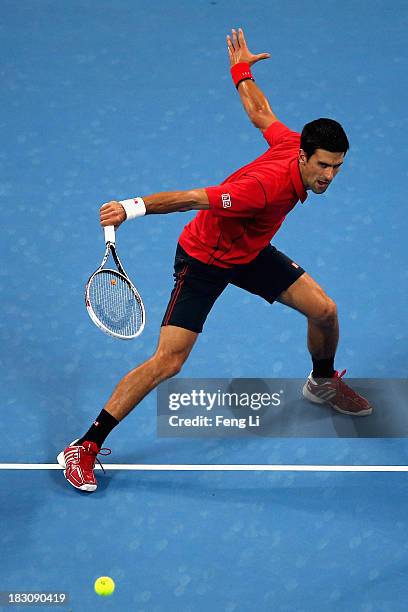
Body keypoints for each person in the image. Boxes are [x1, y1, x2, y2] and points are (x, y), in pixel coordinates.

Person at [58, 28, 372, 492]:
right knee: (169, 361)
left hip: (248, 252)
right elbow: (190, 198)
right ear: (304, 156)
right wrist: (132, 206)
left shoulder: (291, 144)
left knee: (324, 310)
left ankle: (321, 382)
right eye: (323, 166)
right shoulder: (260, 190)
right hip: (204, 259)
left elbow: (260, 111)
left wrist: (241, 69)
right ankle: (83, 446)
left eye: (337, 167)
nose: (329, 176)